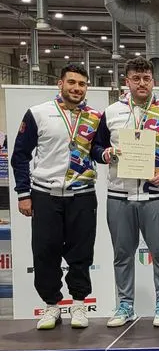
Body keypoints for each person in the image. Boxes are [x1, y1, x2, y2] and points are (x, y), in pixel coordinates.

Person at [92, 57, 159, 327]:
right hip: (119, 194)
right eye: (136, 78)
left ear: (153, 81)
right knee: (122, 255)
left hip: (155, 195)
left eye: (146, 78)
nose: (141, 83)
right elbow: (95, 148)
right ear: (127, 81)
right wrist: (106, 153)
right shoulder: (111, 112)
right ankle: (125, 306)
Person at [11, 64, 102, 330]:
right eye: (71, 82)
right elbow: (20, 156)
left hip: (82, 194)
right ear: (60, 84)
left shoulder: (95, 117)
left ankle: (79, 304)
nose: (76, 88)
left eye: (82, 84)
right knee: (45, 252)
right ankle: (51, 305)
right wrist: (23, 194)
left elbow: (99, 150)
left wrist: (108, 153)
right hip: (45, 194)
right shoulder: (38, 113)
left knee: (81, 252)